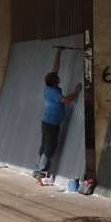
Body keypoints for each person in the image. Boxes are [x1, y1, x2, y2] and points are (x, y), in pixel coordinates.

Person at [33, 48, 81, 179]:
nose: (59, 78)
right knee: (50, 147)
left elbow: (55, 69)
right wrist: (76, 92)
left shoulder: (49, 87)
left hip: (47, 122)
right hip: (52, 124)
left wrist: (59, 53)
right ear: (55, 82)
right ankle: (40, 170)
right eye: (58, 78)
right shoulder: (53, 91)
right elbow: (65, 100)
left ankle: (39, 168)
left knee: (45, 146)